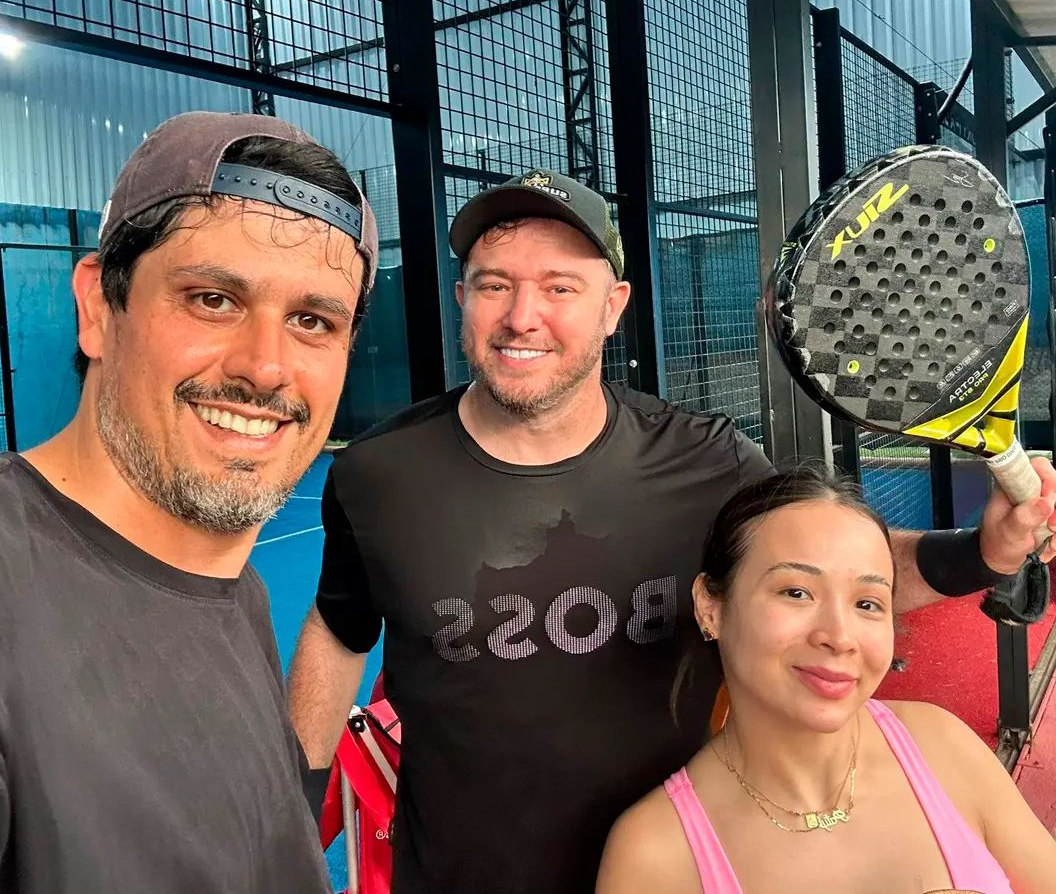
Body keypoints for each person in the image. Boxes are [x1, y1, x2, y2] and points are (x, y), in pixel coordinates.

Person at [287, 169, 1056, 894]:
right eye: (495, 286)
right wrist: (291, 814)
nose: (523, 316)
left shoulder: (704, 457)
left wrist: (982, 554)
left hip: (686, 868)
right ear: (464, 298)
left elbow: (830, 567)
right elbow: (339, 629)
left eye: (561, 288)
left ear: (613, 306)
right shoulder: (380, 474)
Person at [0, 111, 378, 893]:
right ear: (98, 307)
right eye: (212, 299)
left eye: (311, 320)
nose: (266, 368)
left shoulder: (237, 591)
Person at [596, 467, 1056, 894]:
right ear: (711, 606)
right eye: (796, 592)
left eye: (868, 603)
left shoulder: (940, 744)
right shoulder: (654, 853)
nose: (839, 637)